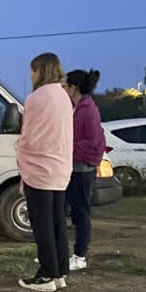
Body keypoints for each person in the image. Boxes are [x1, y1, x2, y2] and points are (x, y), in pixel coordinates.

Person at [16, 53, 74, 292]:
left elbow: (29, 134)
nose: (31, 75)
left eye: (33, 70)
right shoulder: (63, 96)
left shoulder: (36, 98)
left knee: (42, 225)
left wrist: (19, 149)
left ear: (41, 71)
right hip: (60, 168)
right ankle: (60, 271)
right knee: (57, 222)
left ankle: (46, 274)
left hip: (39, 168)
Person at [63, 69, 105, 272]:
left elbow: (96, 143)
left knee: (81, 213)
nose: (63, 89)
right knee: (66, 210)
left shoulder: (88, 110)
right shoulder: (77, 107)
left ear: (73, 88)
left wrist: (70, 148)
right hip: (73, 167)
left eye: (65, 86)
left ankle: (80, 256)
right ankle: (62, 253)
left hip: (83, 169)